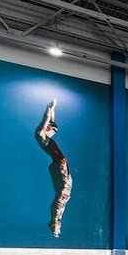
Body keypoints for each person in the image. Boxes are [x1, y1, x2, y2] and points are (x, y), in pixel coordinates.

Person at [34, 98, 71, 238]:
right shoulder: (41, 136)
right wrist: (48, 107)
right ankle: (54, 221)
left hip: (62, 165)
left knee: (66, 195)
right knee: (62, 193)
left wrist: (52, 108)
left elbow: (51, 119)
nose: (55, 132)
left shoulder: (47, 137)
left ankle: (58, 220)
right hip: (58, 165)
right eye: (54, 130)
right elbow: (46, 121)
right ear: (47, 127)